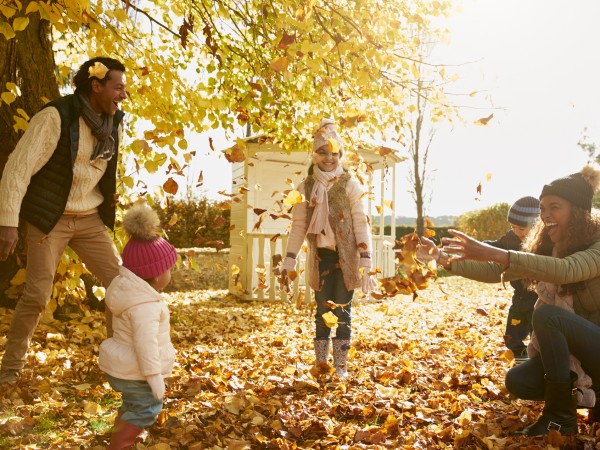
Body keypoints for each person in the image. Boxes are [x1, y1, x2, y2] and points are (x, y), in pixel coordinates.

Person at [418, 166, 600, 436]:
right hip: (583, 354)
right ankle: (564, 412)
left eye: (554, 207)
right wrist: (444, 260)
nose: (545, 215)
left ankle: (568, 410)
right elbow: (497, 271)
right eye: (542, 208)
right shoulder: (549, 248)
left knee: (550, 317)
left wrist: (499, 253)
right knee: (519, 380)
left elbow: (568, 269)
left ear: (578, 211)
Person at [0, 57, 128, 384]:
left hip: (89, 218)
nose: (122, 95)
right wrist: (8, 222)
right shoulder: (55, 117)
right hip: (50, 219)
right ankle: (11, 367)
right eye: (117, 87)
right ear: (96, 85)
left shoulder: (114, 122)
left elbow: (104, 171)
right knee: (38, 294)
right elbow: (17, 169)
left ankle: (117, 365)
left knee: (121, 286)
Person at [279, 119, 376, 378]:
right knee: (322, 313)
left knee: (342, 313)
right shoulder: (306, 188)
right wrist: (289, 260)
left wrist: (366, 260)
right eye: (323, 151)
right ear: (314, 154)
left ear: (341, 154)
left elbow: (361, 223)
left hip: (346, 259)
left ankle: (341, 366)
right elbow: (299, 226)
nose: (329, 158)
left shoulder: (350, 184)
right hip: (320, 259)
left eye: (334, 152)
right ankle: (322, 365)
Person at [99, 203, 177, 449]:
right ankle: (120, 444)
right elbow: (145, 344)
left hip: (125, 366)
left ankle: (124, 432)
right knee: (147, 407)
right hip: (138, 371)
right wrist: (155, 378)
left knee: (134, 403)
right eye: (169, 269)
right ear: (154, 274)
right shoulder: (144, 305)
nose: (170, 273)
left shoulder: (129, 290)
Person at [486, 196, 540, 363]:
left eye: (522, 228)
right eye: (513, 227)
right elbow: (497, 245)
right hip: (519, 298)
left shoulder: (542, 242)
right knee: (511, 335)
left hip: (538, 299)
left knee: (537, 336)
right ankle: (520, 357)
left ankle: (537, 362)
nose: (518, 232)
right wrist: (477, 246)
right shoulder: (511, 238)